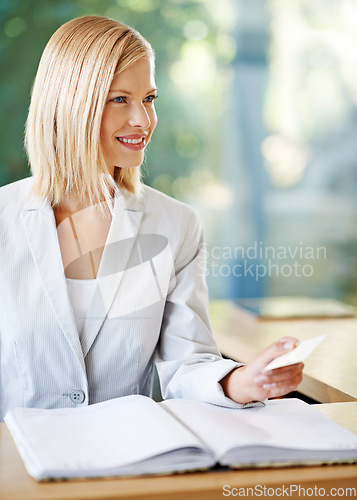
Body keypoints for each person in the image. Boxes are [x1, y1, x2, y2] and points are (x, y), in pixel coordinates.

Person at [0, 16, 303, 420]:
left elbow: (187, 363)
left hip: (128, 464)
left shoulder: (176, 225)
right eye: (119, 99)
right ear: (70, 104)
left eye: (149, 98)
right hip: (16, 470)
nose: (143, 120)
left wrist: (241, 382)